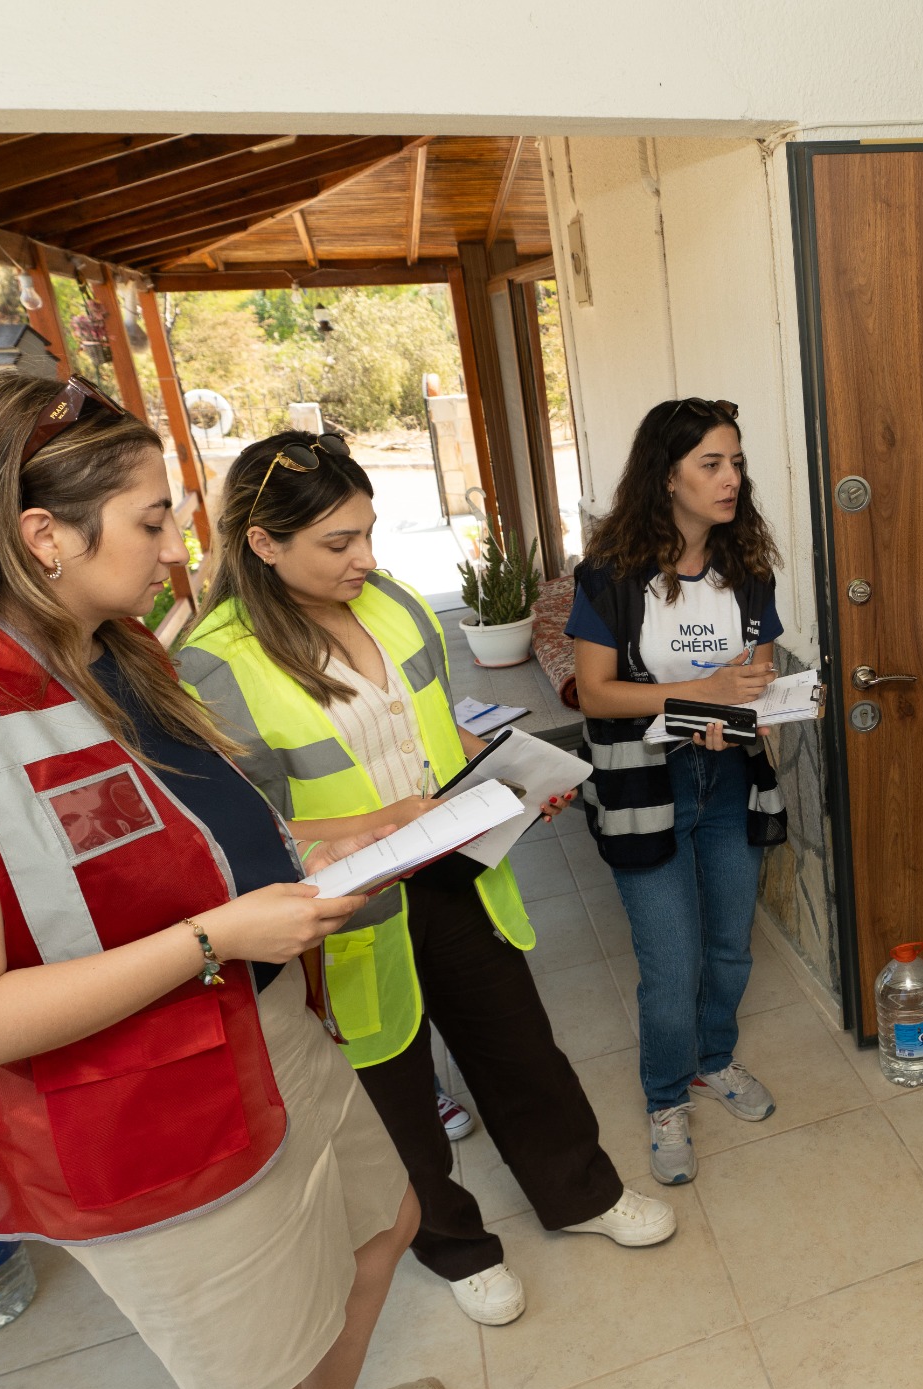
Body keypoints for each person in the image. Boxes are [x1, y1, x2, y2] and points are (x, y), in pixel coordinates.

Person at [0, 372, 449, 1389]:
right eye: (151, 523)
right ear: (42, 533)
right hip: (140, 1116)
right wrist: (211, 939)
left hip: (263, 1022)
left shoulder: (120, 655)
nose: (175, 552)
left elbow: (191, 847)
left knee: (380, 1233)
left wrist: (360, 834)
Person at [178, 431, 677, 1329]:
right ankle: (453, 1245)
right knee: (392, 1093)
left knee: (521, 1048)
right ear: (262, 544)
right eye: (338, 543)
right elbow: (237, 833)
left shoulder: (394, 604)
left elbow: (434, 732)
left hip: (454, 871)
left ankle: (583, 1192)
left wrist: (507, 785)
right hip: (345, 912)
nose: (365, 559)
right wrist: (379, 825)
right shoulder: (215, 663)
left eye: (367, 532)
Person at [569, 397, 788, 1185]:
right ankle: (666, 1097)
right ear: (667, 477)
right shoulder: (611, 577)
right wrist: (702, 691)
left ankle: (713, 1059)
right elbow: (594, 693)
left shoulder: (748, 572)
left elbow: (756, 674)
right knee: (672, 960)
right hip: (643, 786)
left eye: (736, 462)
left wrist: (765, 702)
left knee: (730, 945)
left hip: (727, 777)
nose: (732, 479)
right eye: (711, 464)